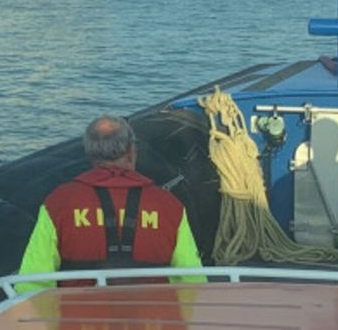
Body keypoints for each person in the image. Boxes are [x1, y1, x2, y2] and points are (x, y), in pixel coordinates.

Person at [16, 114, 205, 292]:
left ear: (89, 153)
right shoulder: (169, 206)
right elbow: (192, 281)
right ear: (131, 152)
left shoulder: (58, 203)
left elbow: (32, 283)